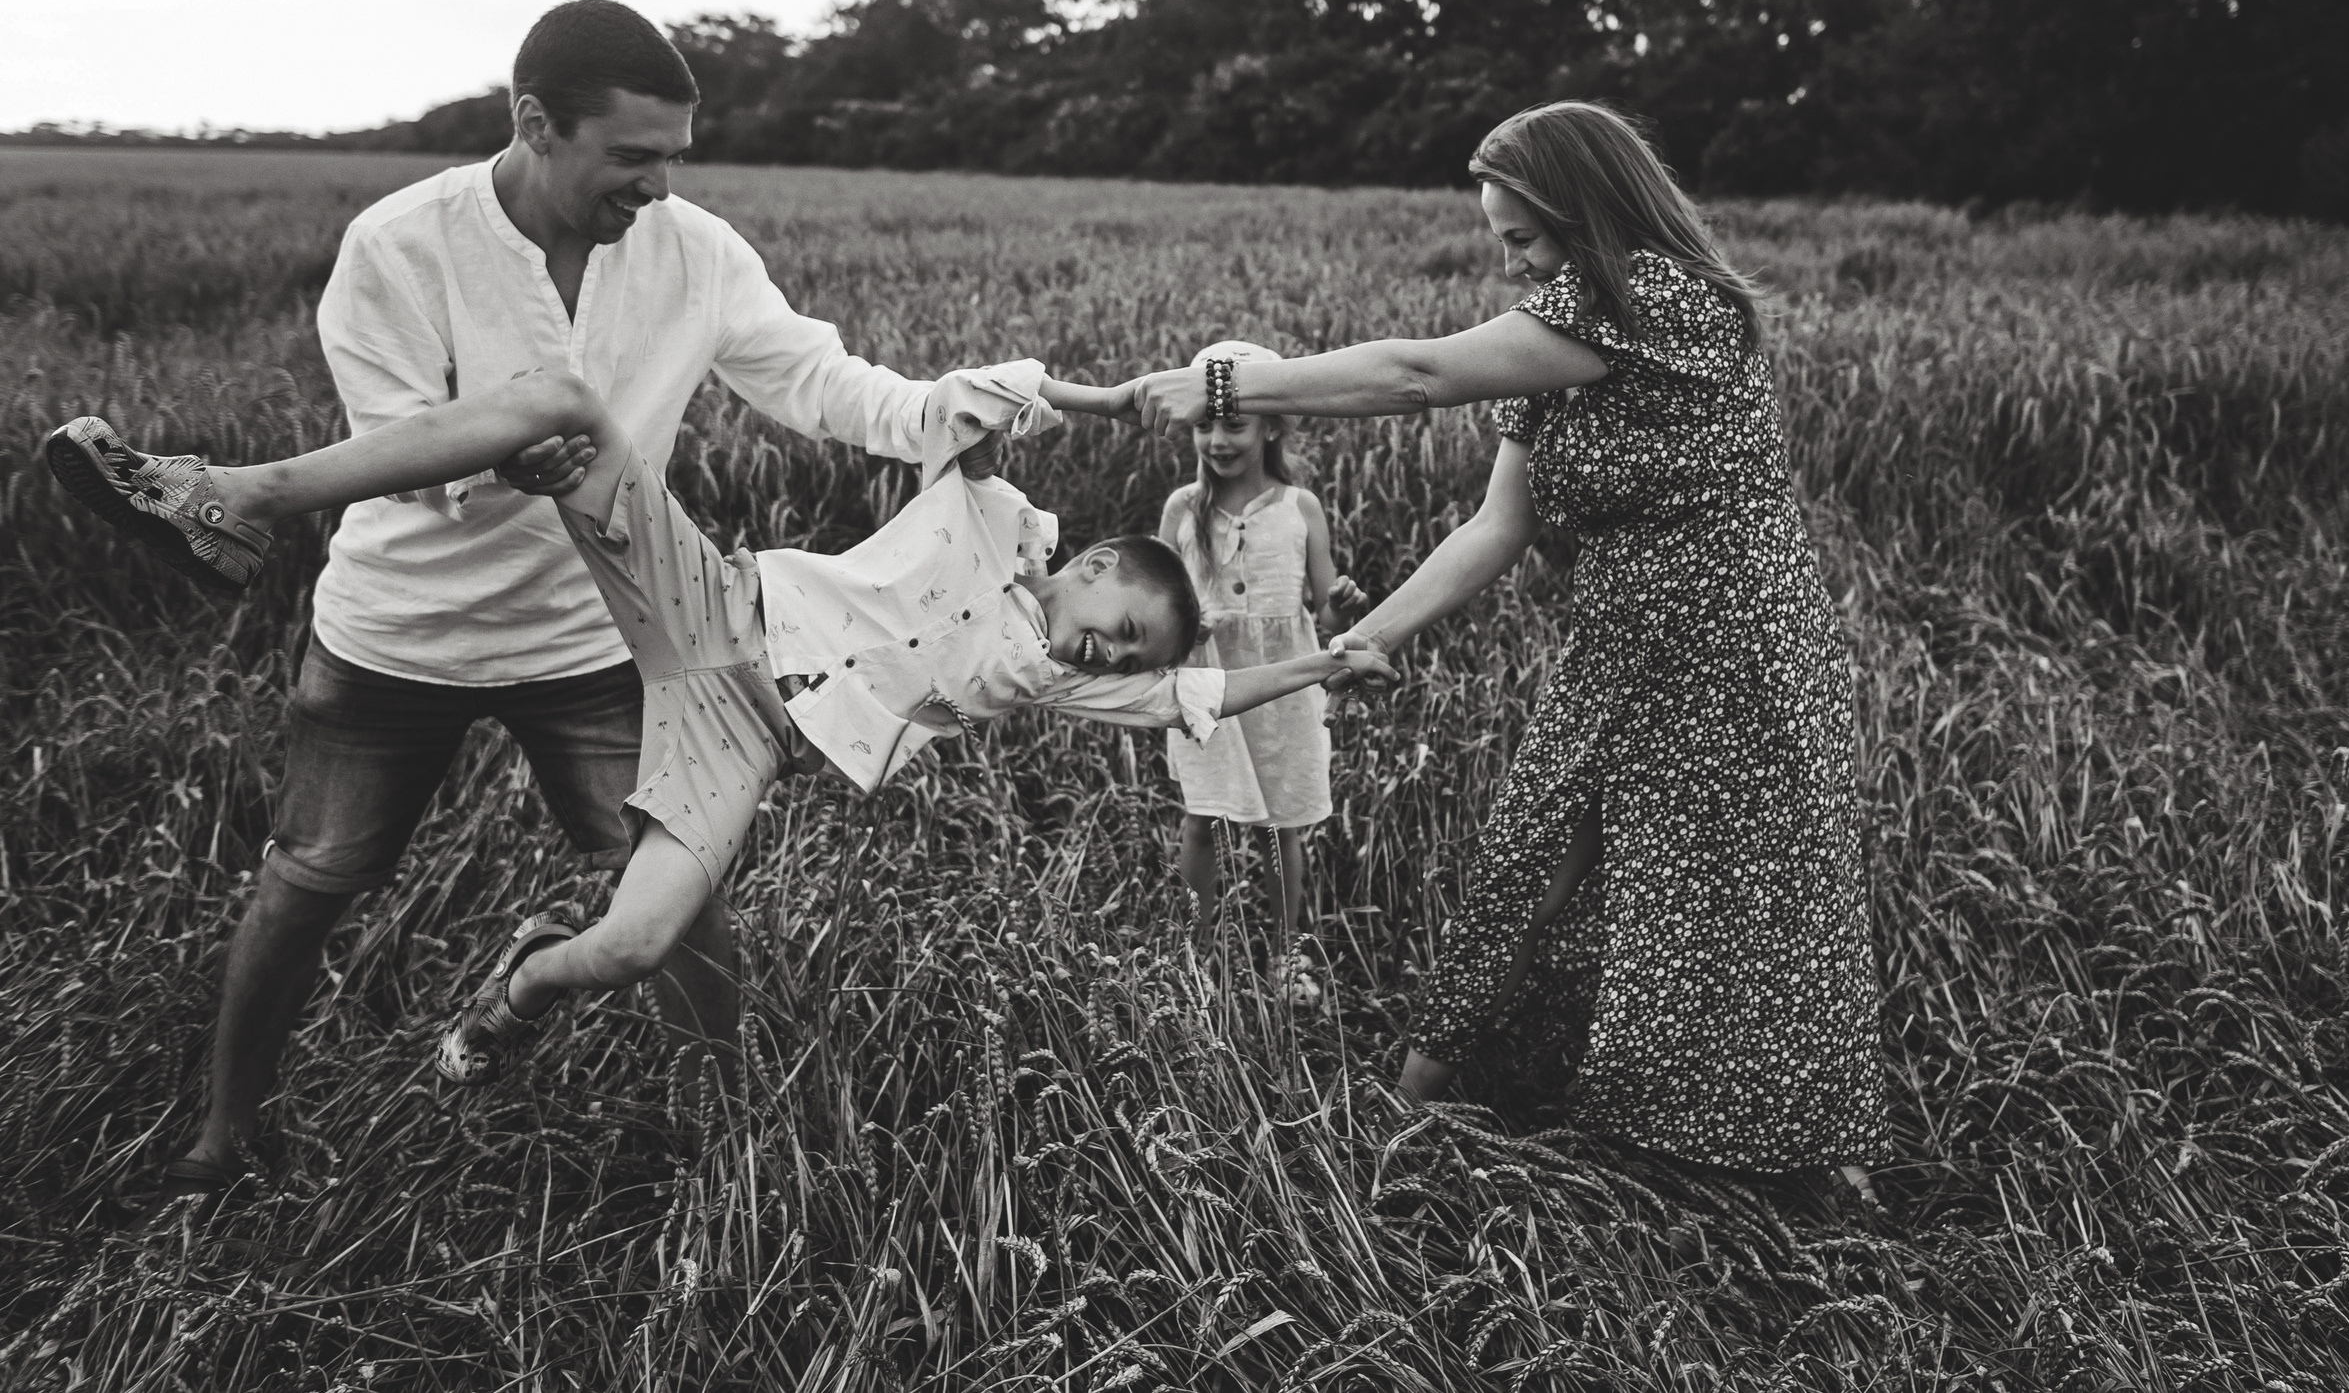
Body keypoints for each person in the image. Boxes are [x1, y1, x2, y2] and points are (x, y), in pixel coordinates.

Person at [134, 0, 1008, 1201]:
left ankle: (724, 1143)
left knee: (681, 880)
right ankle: (219, 1141)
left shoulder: (694, 249)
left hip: (597, 633)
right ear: (534, 122)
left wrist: (938, 411)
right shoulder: (397, 244)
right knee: (307, 879)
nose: (657, 184)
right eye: (632, 156)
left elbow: (814, 377)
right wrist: (510, 458)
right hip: (400, 632)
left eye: (674, 158)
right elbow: (398, 449)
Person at [46, 366, 1396, 1083]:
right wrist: (1107, 400)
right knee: (569, 407)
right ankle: (228, 492)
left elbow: (1197, 695)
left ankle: (516, 990)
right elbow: (972, 410)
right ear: (1091, 561)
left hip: (738, 735)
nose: (1104, 647)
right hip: (712, 604)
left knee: (629, 942)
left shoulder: (1057, 680)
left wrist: (1327, 657)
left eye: (1120, 655)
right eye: (1110, 617)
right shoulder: (992, 515)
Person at [1127, 102, 1883, 1181]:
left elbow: (1416, 375)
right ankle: (1412, 1102)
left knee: (1738, 885)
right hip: (1621, 639)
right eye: (1499, 244)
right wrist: (1366, 638)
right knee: (1531, 850)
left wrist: (1224, 382)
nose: (1513, 265)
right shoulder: (1558, 334)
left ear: (1587, 209)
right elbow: (1498, 523)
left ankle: (1794, 1147)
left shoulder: (1665, 297)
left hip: (1735, 639)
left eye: (1524, 238)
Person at [1156, 341, 1367, 996]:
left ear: (1272, 423)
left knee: (1284, 826)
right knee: (1201, 817)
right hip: (1207, 684)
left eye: (1234, 422)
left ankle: (1285, 952)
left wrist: (1343, 603)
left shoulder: (1299, 508)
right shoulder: (1181, 510)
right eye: (1206, 423)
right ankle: (1194, 954)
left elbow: (1327, 610)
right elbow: (1158, 606)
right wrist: (1187, 625)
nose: (1217, 439)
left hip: (1281, 687)